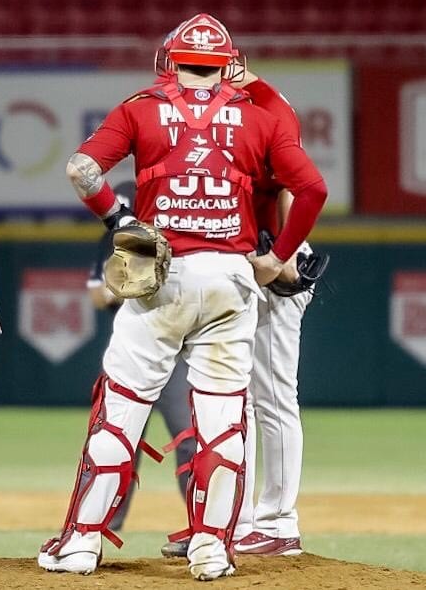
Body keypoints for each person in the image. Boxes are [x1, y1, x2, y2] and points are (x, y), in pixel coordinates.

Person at [37, 13, 327, 581]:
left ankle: (81, 545)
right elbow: (313, 188)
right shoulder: (258, 117)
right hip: (232, 276)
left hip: (162, 275)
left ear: (170, 59)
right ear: (227, 66)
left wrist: (119, 218)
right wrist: (277, 255)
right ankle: (213, 548)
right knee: (224, 415)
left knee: (121, 408)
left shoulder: (141, 106)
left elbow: (81, 169)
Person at [161, 72, 320, 559]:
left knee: (271, 398)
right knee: (230, 399)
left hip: (270, 258)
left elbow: (299, 182)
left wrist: (284, 257)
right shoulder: (202, 108)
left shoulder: (266, 103)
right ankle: (233, 520)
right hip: (233, 261)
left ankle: (276, 522)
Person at [86, 181, 194, 534]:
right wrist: (131, 278)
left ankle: (202, 528)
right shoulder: (120, 225)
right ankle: (96, 529)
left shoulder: (185, 211)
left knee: (190, 438)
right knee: (117, 439)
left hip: (179, 349)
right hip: (134, 348)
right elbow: (97, 297)